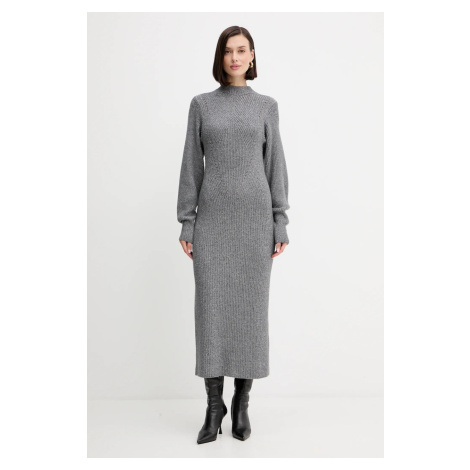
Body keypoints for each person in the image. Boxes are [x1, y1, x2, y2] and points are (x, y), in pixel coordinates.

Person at [176, 25, 290, 444]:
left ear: (252, 56)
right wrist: (187, 220)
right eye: (229, 51)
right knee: (211, 311)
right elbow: (192, 164)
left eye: (242, 50)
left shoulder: (266, 106)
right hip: (213, 223)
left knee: (250, 313)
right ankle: (213, 407)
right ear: (220, 57)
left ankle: (241, 404)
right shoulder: (202, 105)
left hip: (255, 224)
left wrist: (280, 220)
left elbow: (275, 164)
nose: (236, 57)